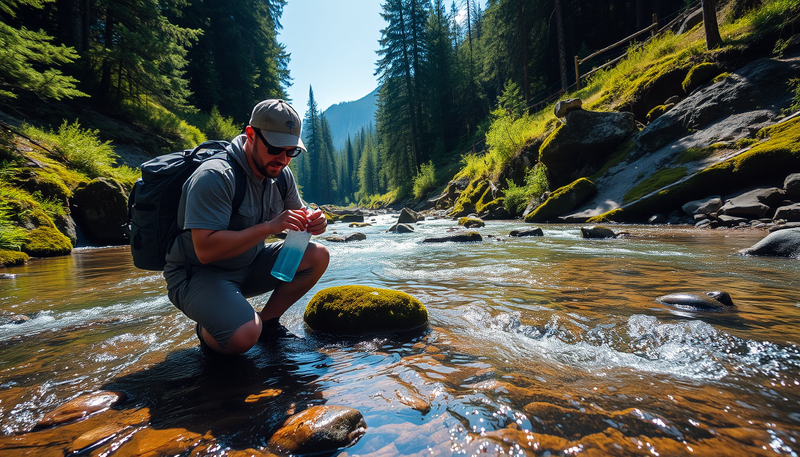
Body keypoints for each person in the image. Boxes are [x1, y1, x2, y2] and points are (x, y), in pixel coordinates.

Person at [163, 99, 329, 355]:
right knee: (244, 336)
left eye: (291, 151)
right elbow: (205, 250)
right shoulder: (215, 176)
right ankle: (210, 329)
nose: (283, 159)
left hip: (248, 265)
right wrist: (269, 227)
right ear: (251, 134)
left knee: (317, 255)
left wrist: (315, 220)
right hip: (199, 274)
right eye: (275, 147)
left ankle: (269, 322)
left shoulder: (281, 174)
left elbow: (298, 216)